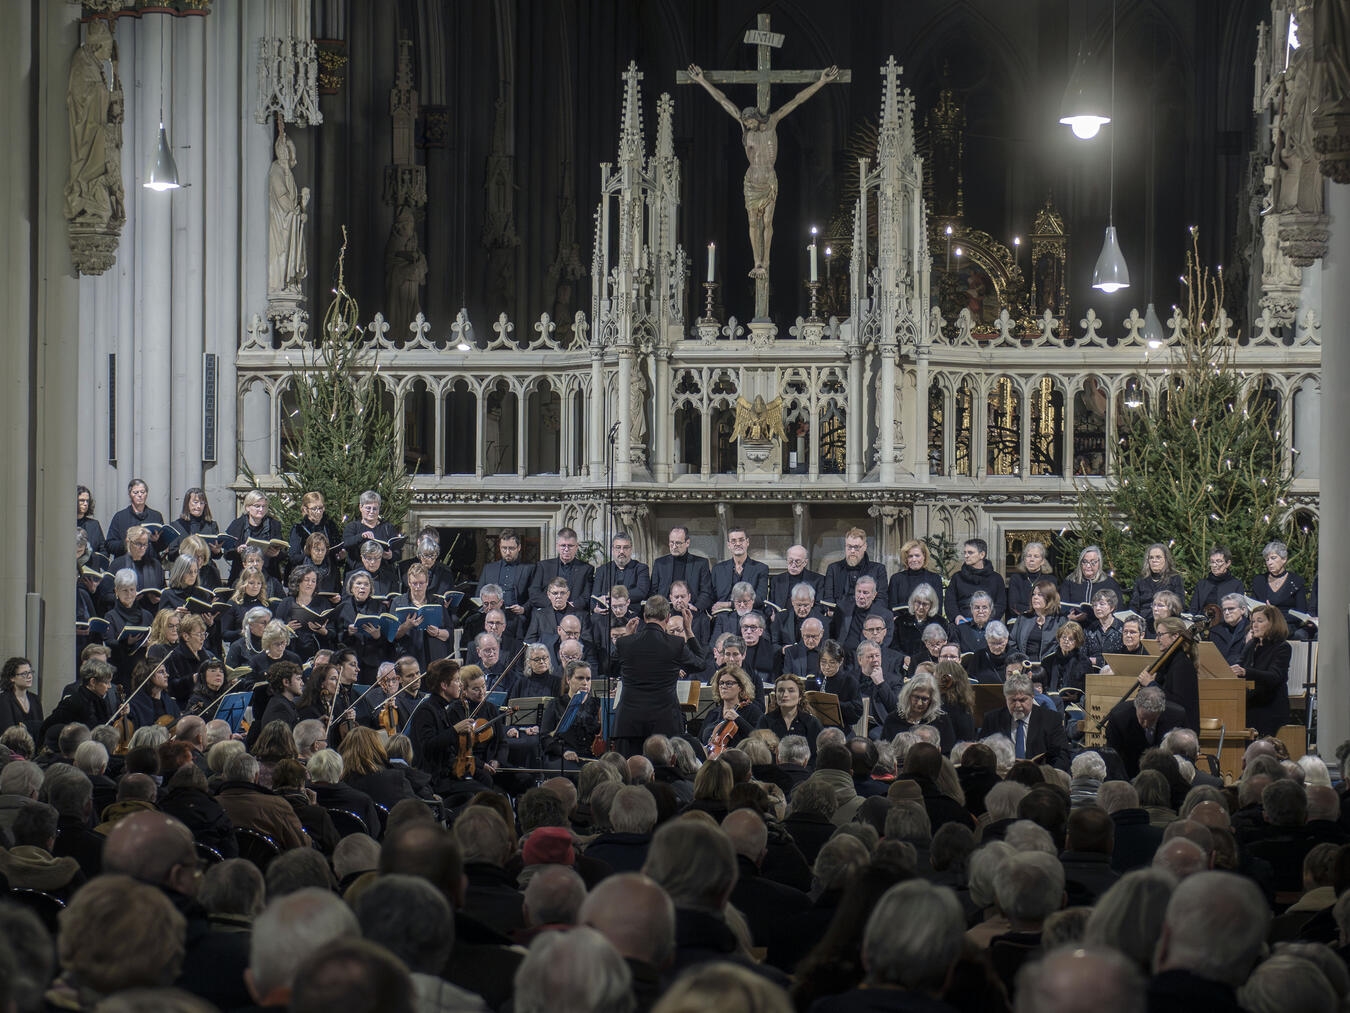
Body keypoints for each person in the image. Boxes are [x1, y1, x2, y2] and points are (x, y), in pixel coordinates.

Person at [687, 62, 839, 280]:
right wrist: (702, 80)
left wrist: (821, 81)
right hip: (752, 181)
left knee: (767, 223)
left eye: (749, 122)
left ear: (757, 118)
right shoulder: (744, 127)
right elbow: (723, 100)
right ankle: (756, 261)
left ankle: (765, 261)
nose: (747, 126)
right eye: (745, 124)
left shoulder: (772, 122)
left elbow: (796, 101)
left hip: (768, 180)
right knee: (752, 223)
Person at [611, 595, 705, 754]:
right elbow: (700, 663)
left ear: (644, 617)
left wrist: (627, 637)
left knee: (630, 774)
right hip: (665, 723)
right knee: (663, 774)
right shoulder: (675, 644)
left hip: (629, 723)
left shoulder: (625, 642)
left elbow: (608, 669)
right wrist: (688, 630)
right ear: (668, 618)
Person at [978, 671, 1070, 770]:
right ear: (1005, 699)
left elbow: (1062, 756)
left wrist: (1048, 775)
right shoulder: (992, 719)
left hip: (1040, 778)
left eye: (1022, 700)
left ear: (1032, 696)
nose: (1017, 705)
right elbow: (981, 753)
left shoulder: (1050, 719)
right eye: (1013, 700)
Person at [1104, 685, 1189, 778]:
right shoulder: (1119, 717)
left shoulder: (1177, 717)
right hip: (1129, 772)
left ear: (1161, 712)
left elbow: (1183, 754)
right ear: (1136, 707)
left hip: (1166, 774)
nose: (1145, 724)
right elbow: (1113, 755)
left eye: (1152, 719)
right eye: (1142, 718)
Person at [1234, 603, 1292, 736]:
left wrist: (1245, 672)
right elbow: (1240, 664)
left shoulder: (1282, 647)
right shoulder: (1251, 644)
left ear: (1273, 623)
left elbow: (1274, 676)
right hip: (1250, 703)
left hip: (1270, 706)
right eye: (1253, 621)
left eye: (1260, 621)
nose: (1254, 625)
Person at [541, 659, 602, 769]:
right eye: (580, 678)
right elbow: (545, 737)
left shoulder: (598, 704)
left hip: (593, 756)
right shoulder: (556, 704)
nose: (585, 682)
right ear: (568, 679)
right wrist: (564, 751)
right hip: (563, 756)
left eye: (588, 679)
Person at [478, 528, 536, 636]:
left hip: (516, 618)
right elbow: (478, 595)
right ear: (499, 547)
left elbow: (535, 596)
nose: (507, 552)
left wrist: (523, 608)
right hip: (491, 617)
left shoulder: (529, 569)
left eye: (511, 548)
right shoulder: (489, 569)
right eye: (504, 548)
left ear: (519, 547)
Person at [1146, 616, 1200, 731]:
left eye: (1160, 635)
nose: (1157, 639)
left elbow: (1177, 703)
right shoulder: (1169, 661)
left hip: (1180, 732)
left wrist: (1151, 684)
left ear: (1175, 636)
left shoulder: (1182, 664)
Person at [757, 673, 824, 762]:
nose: (785, 695)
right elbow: (759, 754)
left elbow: (818, 756)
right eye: (781, 690)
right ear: (775, 695)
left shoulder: (812, 723)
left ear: (800, 696)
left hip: (804, 773)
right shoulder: (765, 721)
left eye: (791, 690)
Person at [528, 527, 595, 615]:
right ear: (557, 546)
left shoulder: (586, 569)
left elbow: (586, 596)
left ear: (576, 547)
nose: (566, 549)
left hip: (574, 614)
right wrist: (555, 605)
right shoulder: (543, 566)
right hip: (547, 615)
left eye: (570, 546)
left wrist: (569, 606)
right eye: (563, 545)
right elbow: (534, 593)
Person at [1250, 540, 1310, 636]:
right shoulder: (1259, 581)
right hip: (1263, 624)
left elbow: (1301, 613)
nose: (1269, 563)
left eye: (1273, 558)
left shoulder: (1296, 581)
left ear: (1284, 559)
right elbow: (1253, 607)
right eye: (1267, 559)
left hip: (1288, 625)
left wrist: (1274, 614)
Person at [702, 664, 763, 757]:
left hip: (740, 761)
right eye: (721, 683)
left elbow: (759, 739)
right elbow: (700, 741)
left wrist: (738, 719)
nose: (724, 686)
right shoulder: (713, 713)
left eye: (729, 683)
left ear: (740, 687)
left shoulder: (752, 711)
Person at [651, 525, 714, 614]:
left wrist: (696, 607)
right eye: (671, 542)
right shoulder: (660, 563)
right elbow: (653, 591)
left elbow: (706, 592)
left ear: (687, 543)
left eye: (678, 543)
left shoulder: (701, 563)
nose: (674, 546)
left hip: (692, 611)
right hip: (665, 613)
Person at [945, 538, 1007, 620]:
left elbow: (1000, 604)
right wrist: (956, 616)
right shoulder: (957, 577)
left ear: (982, 555)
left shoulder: (996, 578)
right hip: (963, 621)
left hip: (988, 622)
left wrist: (989, 619)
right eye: (965, 552)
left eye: (970, 552)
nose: (966, 556)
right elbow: (950, 602)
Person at [711, 527, 770, 611]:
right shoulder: (717, 569)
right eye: (733, 541)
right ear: (728, 545)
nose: (738, 543)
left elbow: (760, 599)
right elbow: (711, 597)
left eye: (741, 540)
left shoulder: (761, 568)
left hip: (751, 614)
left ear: (747, 542)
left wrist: (729, 604)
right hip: (723, 615)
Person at [1010, 579, 1066, 662]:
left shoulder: (1060, 620)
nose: (1035, 597)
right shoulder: (1024, 618)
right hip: (1025, 665)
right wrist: (1019, 660)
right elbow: (1012, 642)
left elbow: (1063, 646)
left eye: (1040, 595)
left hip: (1050, 666)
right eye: (1033, 594)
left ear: (1049, 598)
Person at [341, 489, 403, 563]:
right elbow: (346, 543)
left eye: (375, 509)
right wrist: (361, 536)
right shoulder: (353, 526)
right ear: (361, 507)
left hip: (383, 570)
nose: (371, 512)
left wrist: (391, 555)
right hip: (358, 570)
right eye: (368, 508)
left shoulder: (387, 527)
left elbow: (398, 553)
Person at [1007, 540, 1056, 620]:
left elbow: (1052, 605)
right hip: (1021, 619)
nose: (1031, 559)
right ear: (1024, 559)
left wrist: (1030, 610)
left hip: (1045, 619)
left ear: (1042, 561)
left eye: (1036, 556)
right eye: (1029, 556)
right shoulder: (1016, 578)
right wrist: (1037, 611)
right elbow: (1014, 606)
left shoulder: (1050, 580)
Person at [1191, 546, 1245, 615]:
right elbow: (1193, 610)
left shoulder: (1236, 584)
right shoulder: (1202, 584)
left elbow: (1238, 611)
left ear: (1228, 563)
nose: (1214, 565)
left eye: (1219, 562)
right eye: (1212, 562)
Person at [0, 657, 43, 742]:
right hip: (13, 748)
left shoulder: (35, 699)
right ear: (12, 678)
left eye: (30, 672)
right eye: (24, 674)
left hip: (34, 748)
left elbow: (41, 727)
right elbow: (8, 731)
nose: (29, 676)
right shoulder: (4, 699)